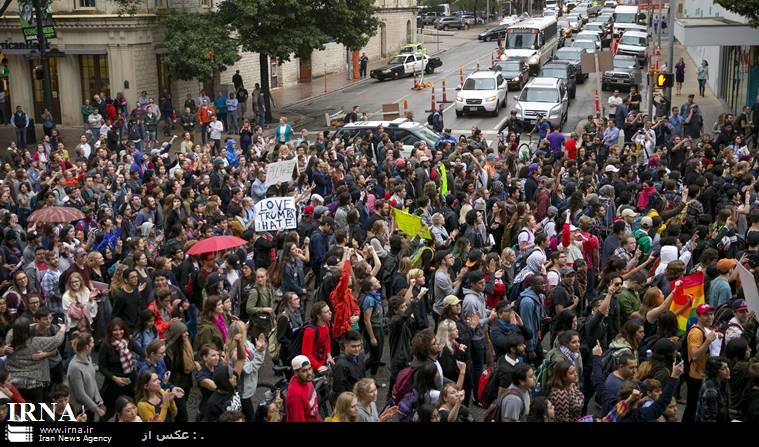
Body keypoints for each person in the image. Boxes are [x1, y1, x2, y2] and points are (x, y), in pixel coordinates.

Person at [683, 304, 718, 423]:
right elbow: (695, 355)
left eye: (711, 314)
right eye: (705, 315)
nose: (710, 317)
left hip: (702, 374)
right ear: (698, 316)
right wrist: (708, 341)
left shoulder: (704, 329)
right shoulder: (696, 333)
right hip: (696, 377)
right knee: (692, 408)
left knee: (696, 408)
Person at [66, 332, 105, 422]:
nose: (93, 344)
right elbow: (80, 394)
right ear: (87, 347)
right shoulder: (75, 367)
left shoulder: (88, 358)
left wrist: (98, 398)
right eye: (92, 342)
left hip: (89, 406)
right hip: (80, 409)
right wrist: (96, 409)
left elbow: (92, 379)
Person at [285, 355, 320, 422]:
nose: (309, 373)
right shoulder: (295, 395)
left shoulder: (306, 380)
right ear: (295, 373)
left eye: (310, 368)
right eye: (304, 371)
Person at [695, 356, 731, 422]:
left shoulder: (716, 382)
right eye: (723, 368)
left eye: (727, 367)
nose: (728, 370)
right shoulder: (711, 392)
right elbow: (710, 418)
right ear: (715, 371)